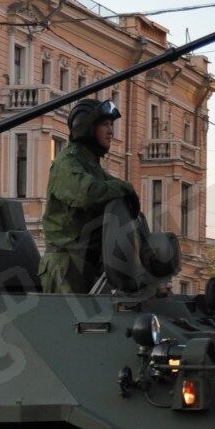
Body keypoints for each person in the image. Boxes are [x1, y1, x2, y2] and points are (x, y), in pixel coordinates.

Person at [38, 99, 138, 294]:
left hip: (89, 263)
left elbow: (113, 191)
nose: (110, 131)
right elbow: (87, 193)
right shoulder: (67, 161)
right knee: (71, 324)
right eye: (104, 124)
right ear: (86, 128)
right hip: (65, 266)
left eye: (111, 125)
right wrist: (125, 188)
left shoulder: (91, 165)